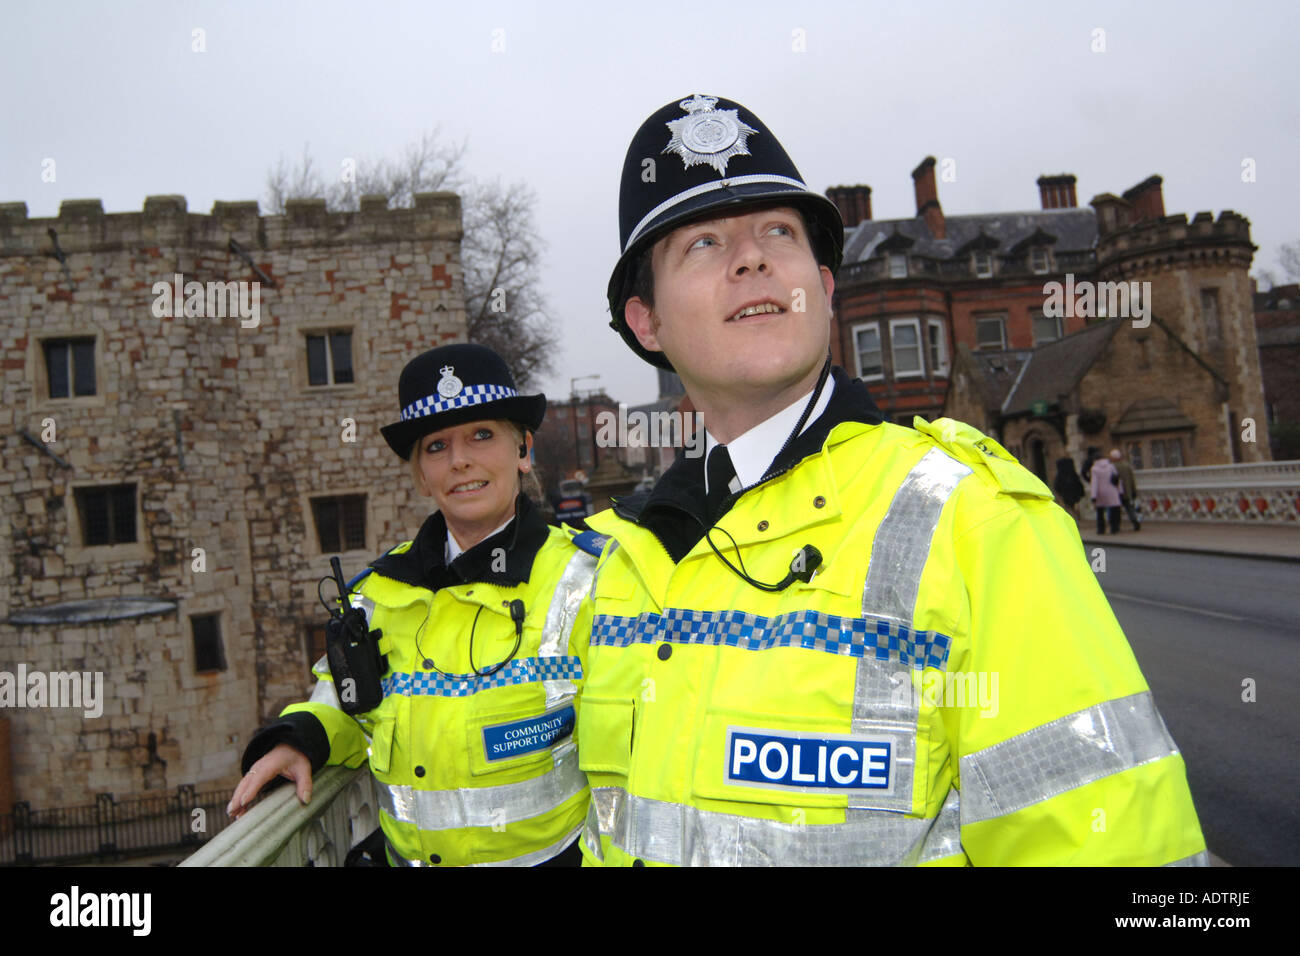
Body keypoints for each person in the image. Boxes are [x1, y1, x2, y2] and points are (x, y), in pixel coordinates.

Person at [574, 93, 1206, 866]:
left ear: (825, 286)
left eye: (780, 231)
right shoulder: (618, 564)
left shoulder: (979, 522)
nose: (753, 257)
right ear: (647, 324)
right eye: (703, 244)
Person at [227, 344, 597, 866]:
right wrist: (300, 741)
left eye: (482, 435)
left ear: (524, 450)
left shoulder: (584, 581)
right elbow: (341, 703)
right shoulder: (376, 594)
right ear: (421, 475)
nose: (460, 460)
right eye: (436, 446)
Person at [1090, 452, 1123, 534]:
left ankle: (1101, 529)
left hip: (1100, 492)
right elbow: (1117, 479)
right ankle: (1114, 528)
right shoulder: (1111, 466)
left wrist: (1093, 496)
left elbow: (1094, 483)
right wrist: (1120, 491)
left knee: (1100, 512)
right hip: (1112, 490)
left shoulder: (1094, 468)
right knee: (1114, 510)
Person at [1110, 448, 1142, 531]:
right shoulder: (1127, 466)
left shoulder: (1112, 467)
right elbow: (1132, 479)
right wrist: (1133, 490)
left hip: (1116, 491)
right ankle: (1135, 522)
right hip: (1127, 491)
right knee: (1129, 508)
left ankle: (1116, 526)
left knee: (1116, 510)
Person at [1052, 456, 1085, 520]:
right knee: (1073, 506)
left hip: (1065, 494)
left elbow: (1057, 486)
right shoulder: (1073, 474)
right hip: (1075, 493)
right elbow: (1078, 484)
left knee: (1069, 508)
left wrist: (1059, 493)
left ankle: (1073, 518)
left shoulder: (1060, 476)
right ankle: (1076, 515)